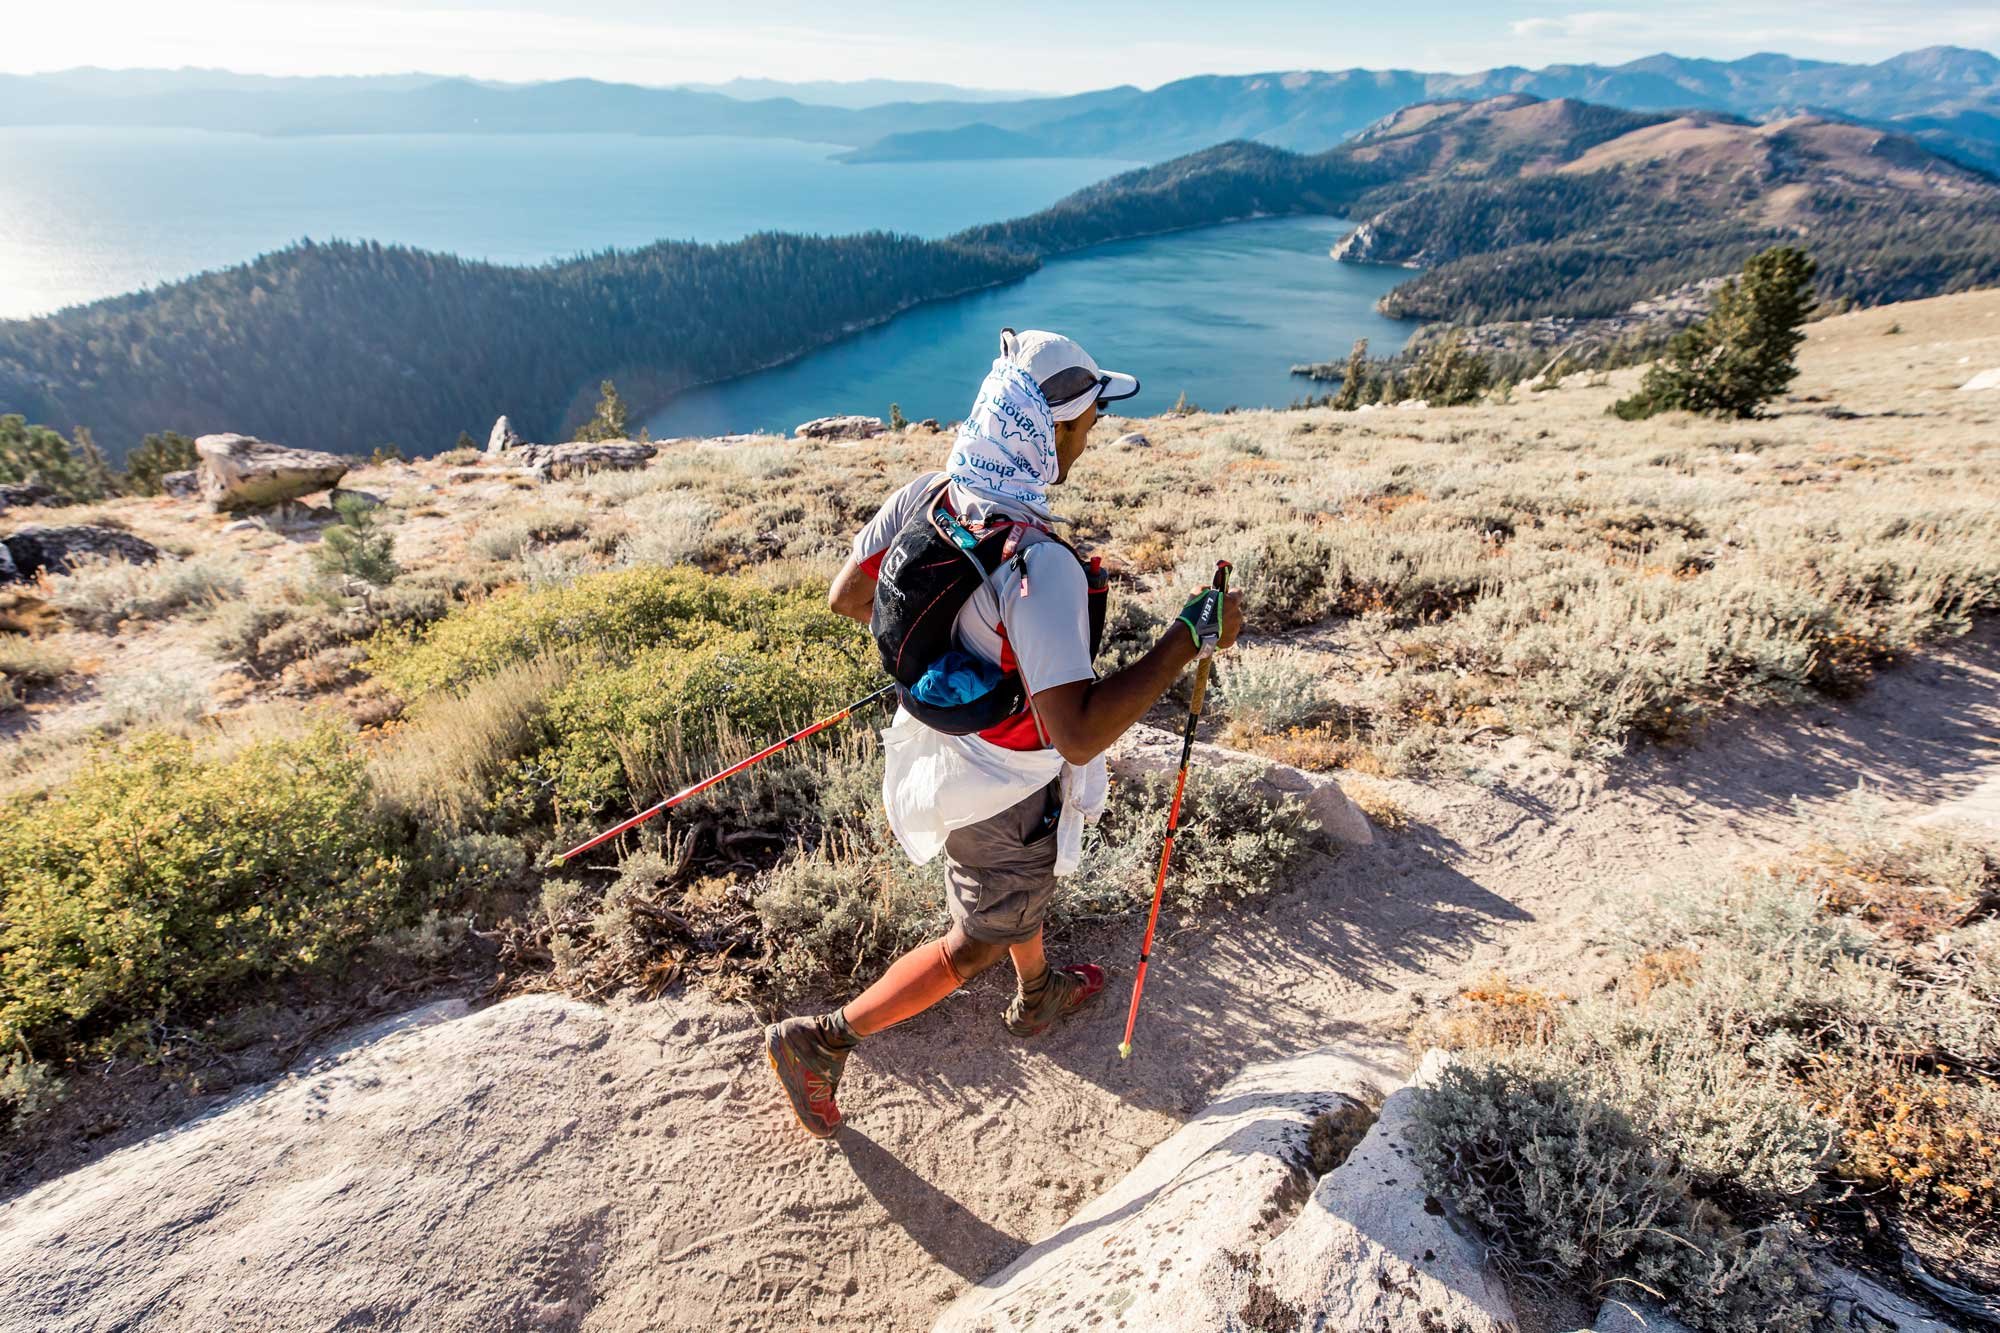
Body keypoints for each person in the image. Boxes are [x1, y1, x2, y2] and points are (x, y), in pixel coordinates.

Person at [765, 328, 1242, 1138]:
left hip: (940, 744)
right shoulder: (1037, 562)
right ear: (1048, 431)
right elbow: (1080, 732)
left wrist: (959, 661)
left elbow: (852, 595)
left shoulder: (929, 492)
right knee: (973, 940)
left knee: (1018, 893)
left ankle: (1040, 989)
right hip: (1004, 780)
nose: (1092, 437)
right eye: (1086, 422)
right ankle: (825, 1038)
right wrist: (1185, 641)